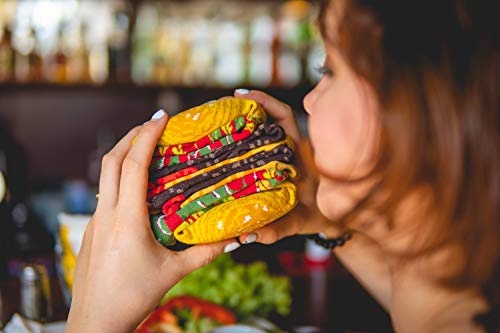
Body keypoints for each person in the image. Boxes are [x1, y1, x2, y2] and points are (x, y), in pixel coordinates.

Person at [65, 0, 499, 332]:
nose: (308, 100)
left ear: (419, 110)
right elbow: (416, 298)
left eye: (329, 70)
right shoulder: (452, 300)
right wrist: (322, 220)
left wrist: (91, 322)